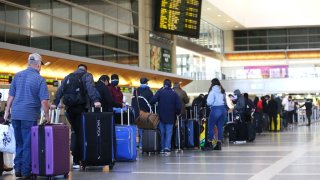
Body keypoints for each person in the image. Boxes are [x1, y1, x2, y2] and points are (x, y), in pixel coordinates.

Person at [4, 53, 50, 178]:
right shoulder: (40, 79)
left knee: (19, 143)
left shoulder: (17, 76)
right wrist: (47, 116)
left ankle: (17, 169)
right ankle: (26, 172)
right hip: (29, 116)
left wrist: (7, 111)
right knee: (28, 144)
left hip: (16, 115)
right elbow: (44, 101)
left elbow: (10, 96)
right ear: (39, 64)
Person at [51, 64, 101, 169]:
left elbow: (60, 90)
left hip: (69, 109)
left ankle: (75, 159)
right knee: (81, 134)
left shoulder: (68, 76)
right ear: (85, 69)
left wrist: (55, 103)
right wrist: (96, 100)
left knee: (74, 132)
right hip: (80, 108)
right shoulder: (87, 76)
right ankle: (78, 160)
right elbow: (90, 88)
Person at [150, 79, 181, 154]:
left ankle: (162, 148)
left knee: (162, 132)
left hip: (161, 116)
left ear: (163, 85)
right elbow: (178, 106)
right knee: (169, 132)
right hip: (171, 116)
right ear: (171, 85)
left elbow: (152, 100)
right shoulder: (174, 94)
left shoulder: (160, 92)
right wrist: (177, 112)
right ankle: (167, 147)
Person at [203, 78, 227, 151]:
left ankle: (210, 144)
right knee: (220, 127)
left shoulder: (212, 91)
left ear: (212, 83)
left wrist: (210, 104)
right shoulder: (223, 91)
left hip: (216, 109)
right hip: (223, 109)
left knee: (211, 126)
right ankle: (218, 144)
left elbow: (209, 102)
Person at [131, 77, 153, 149]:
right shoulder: (149, 91)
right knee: (146, 129)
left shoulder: (136, 91)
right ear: (146, 83)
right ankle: (144, 144)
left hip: (137, 113)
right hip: (146, 113)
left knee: (140, 128)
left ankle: (140, 144)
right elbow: (152, 102)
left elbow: (133, 103)